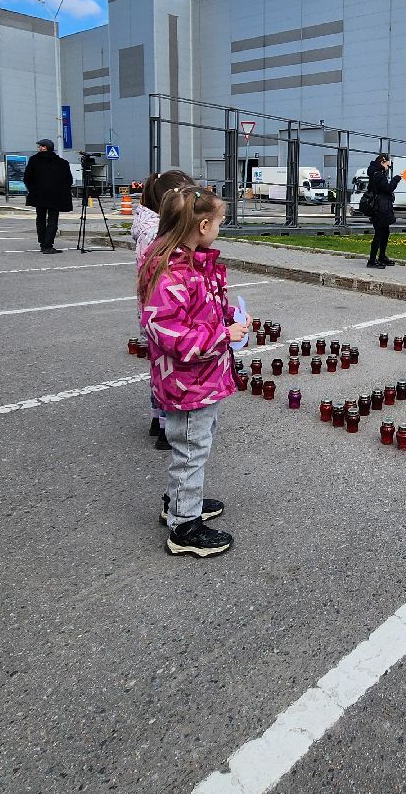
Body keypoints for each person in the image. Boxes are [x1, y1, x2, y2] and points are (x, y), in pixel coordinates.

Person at [138, 186, 246, 558]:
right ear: (202, 226)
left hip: (203, 380)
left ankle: (178, 502)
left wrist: (230, 317)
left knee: (195, 443)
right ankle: (184, 527)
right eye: (219, 222)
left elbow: (203, 308)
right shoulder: (171, 272)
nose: (219, 228)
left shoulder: (194, 264)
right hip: (187, 384)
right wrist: (224, 335)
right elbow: (174, 335)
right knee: (190, 450)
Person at [131, 169, 192, 450]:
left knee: (158, 367)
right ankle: (169, 429)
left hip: (150, 310)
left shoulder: (146, 226)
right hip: (168, 312)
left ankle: (157, 419)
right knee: (171, 371)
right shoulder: (163, 234)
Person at [22, 139, 73, 253]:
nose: (39, 148)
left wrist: (33, 190)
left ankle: (42, 243)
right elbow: (68, 180)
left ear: (45, 147)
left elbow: (27, 178)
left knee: (40, 219)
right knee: (53, 220)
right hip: (56, 196)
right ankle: (48, 244)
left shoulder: (34, 160)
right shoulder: (62, 163)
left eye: (41, 146)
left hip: (39, 195)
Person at [365, 153, 400, 268]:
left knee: (385, 233)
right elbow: (388, 188)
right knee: (379, 234)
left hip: (381, 207)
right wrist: (396, 179)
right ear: (382, 162)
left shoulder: (377, 174)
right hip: (380, 209)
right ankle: (372, 260)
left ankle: (382, 257)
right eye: (387, 165)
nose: (388, 168)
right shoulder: (378, 175)